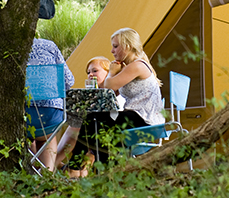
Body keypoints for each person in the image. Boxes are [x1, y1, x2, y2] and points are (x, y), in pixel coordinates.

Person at [67, 28, 165, 176]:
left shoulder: (137, 65)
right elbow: (110, 92)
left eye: (115, 46)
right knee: (96, 126)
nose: (112, 50)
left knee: (92, 119)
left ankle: (76, 167)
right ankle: (105, 174)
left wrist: (112, 72)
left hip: (145, 121)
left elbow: (110, 86)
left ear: (127, 46)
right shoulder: (130, 67)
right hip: (136, 117)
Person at [54, 56, 115, 170]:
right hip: (95, 131)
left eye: (95, 71)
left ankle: (56, 163)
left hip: (111, 129)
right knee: (77, 124)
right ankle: (63, 165)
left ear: (108, 72)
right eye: (88, 72)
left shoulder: (115, 92)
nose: (90, 74)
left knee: (77, 127)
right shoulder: (94, 97)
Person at [26, 38, 75, 171]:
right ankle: (47, 175)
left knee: (27, 134)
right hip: (50, 116)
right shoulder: (49, 46)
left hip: (22, 116)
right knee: (47, 137)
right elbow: (69, 80)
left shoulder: (5, 45)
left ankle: (30, 172)